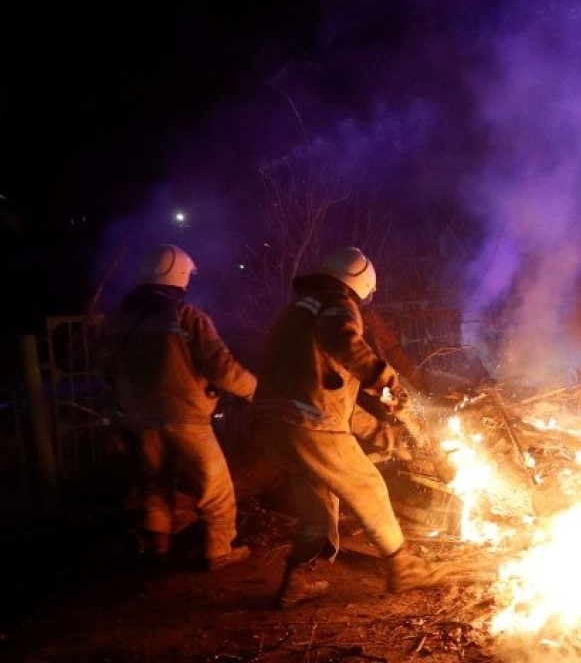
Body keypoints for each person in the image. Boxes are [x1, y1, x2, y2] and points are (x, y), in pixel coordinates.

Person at [253, 246, 451, 609]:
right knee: (369, 486)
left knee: (317, 502)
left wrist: (384, 435)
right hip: (308, 421)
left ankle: (297, 578)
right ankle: (402, 565)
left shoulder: (298, 311)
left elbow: (335, 404)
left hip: (272, 422)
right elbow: (343, 342)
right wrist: (386, 382)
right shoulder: (338, 306)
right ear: (361, 285)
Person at [100, 243, 256, 570]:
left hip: (139, 420)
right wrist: (259, 391)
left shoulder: (121, 321)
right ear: (181, 276)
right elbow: (222, 368)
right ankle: (219, 551)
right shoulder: (187, 316)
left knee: (155, 483)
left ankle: (157, 545)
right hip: (186, 419)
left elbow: (107, 370)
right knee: (217, 492)